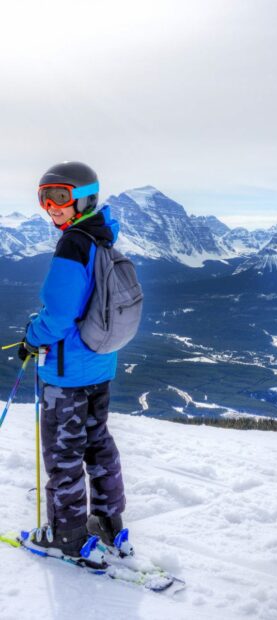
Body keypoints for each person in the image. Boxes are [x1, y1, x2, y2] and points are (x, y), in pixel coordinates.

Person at [18, 161, 128, 567]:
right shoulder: (103, 237)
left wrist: (32, 337)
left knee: (64, 454)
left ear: (84, 197)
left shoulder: (73, 245)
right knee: (97, 444)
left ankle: (67, 535)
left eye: (60, 196)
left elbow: (60, 314)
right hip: (100, 366)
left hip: (66, 373)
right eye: (44, 197)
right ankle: (109, 521)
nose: (52, 206)